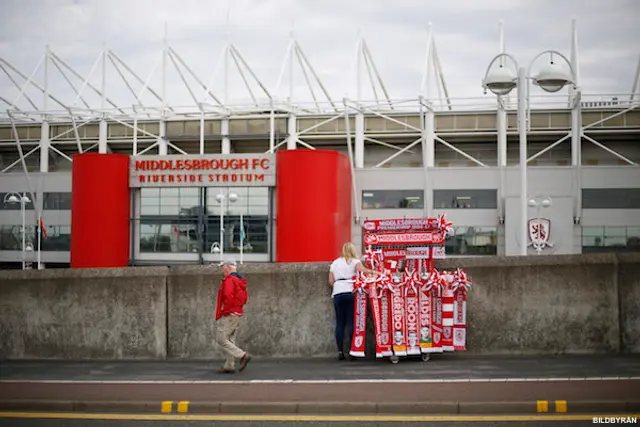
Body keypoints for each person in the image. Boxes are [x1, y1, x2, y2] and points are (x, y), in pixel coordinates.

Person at [328, 242, 381, 360]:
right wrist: (376, 273)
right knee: (351, 322)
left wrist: (338, 286)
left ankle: (340, 351)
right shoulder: (354, 261)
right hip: (350, 291)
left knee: (340, 324)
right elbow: (362, 270)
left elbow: (331, 281)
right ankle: (353, 352)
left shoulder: (335, 263)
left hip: (338, 292)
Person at [215, 258, 251, 373]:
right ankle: (229, 365)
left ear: (228, 266)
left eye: (223, 267)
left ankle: (242, 356)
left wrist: (225, 311)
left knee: (221, 339)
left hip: (230, 313)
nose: (222, 269)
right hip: (238, 313)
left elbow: (227, 296)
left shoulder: (229, 280)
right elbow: (245, 298)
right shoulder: (240, 281)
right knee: (230, 339)